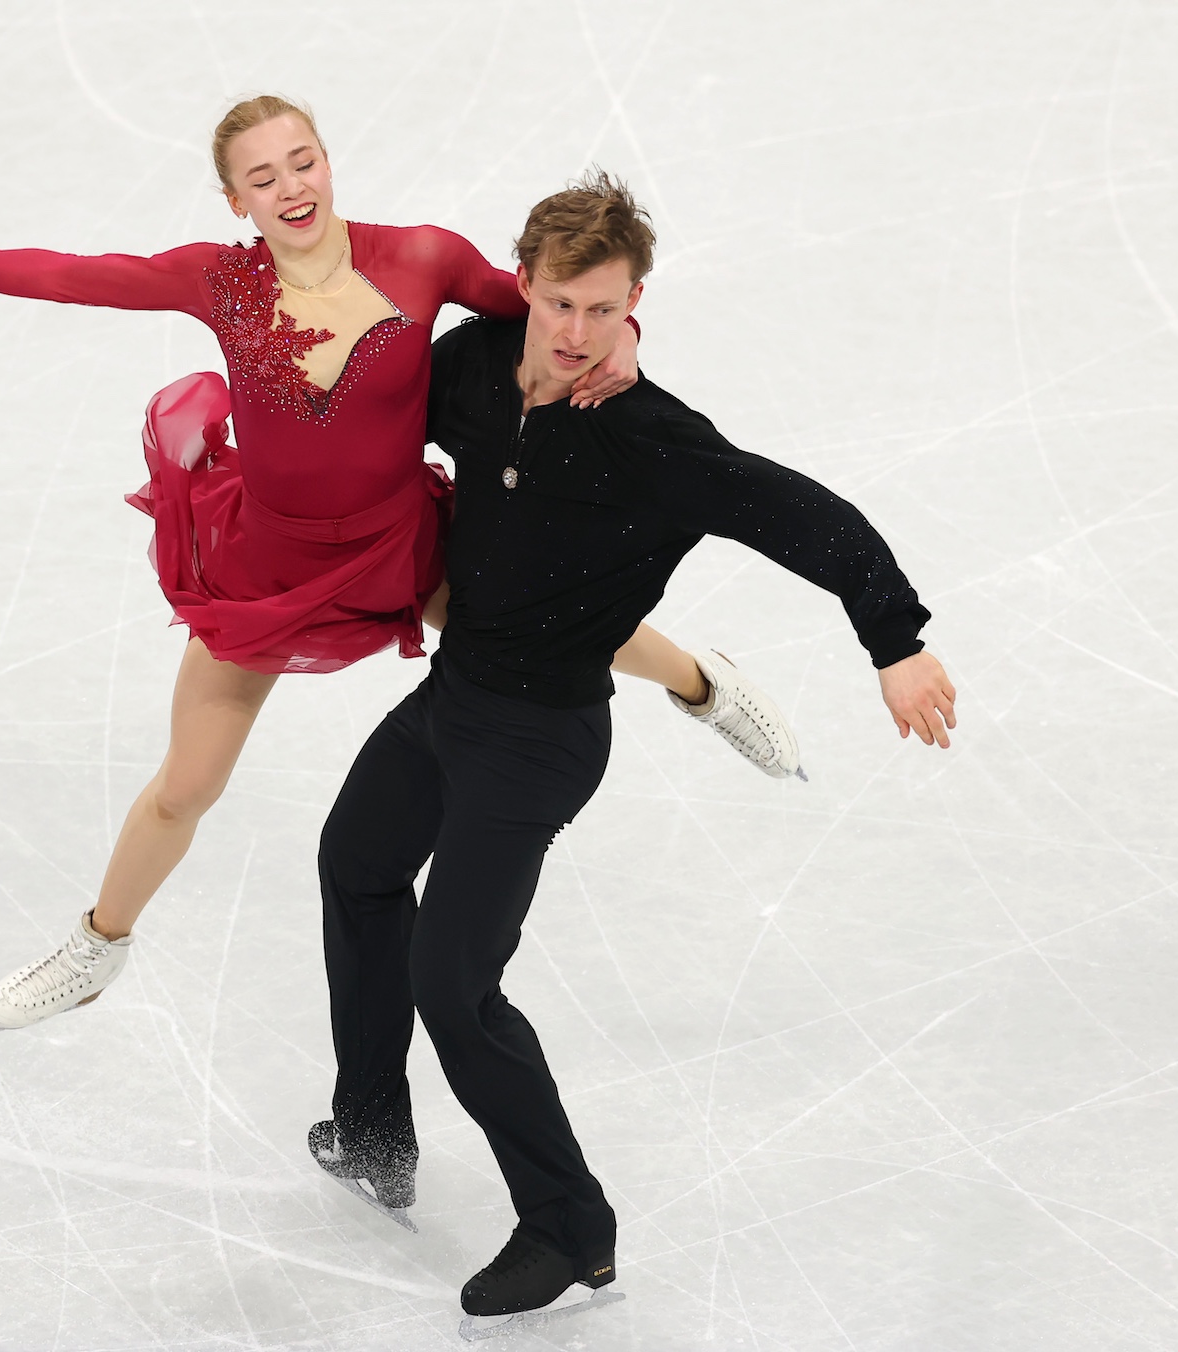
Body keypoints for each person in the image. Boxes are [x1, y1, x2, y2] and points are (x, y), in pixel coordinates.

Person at [0, 96, 802, 1036]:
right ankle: (96, 946)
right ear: (233, 198)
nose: (289, 184)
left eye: (302, 160)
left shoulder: (420, 259)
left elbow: (551, 304)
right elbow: (81, 275)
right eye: (260, 175)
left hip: (398, 543)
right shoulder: (217, 278)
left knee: (550, 622)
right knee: (184, 786)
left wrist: (623, 328)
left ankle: (707, 686)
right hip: (266, 566)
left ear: (328, 163)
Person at [308, 171, 957, 1333]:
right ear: (526, 286)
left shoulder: (652, 441)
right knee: (354, 861)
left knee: (453, 980)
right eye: (561, 303)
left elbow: (807, 515)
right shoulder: (469, 364)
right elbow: (360, 403)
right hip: (454, 696)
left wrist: (895, 641)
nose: (576, 334)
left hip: (542, 737)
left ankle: (569, 1225)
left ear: (634, 303)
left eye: (603, 310)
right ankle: (371, 1129)